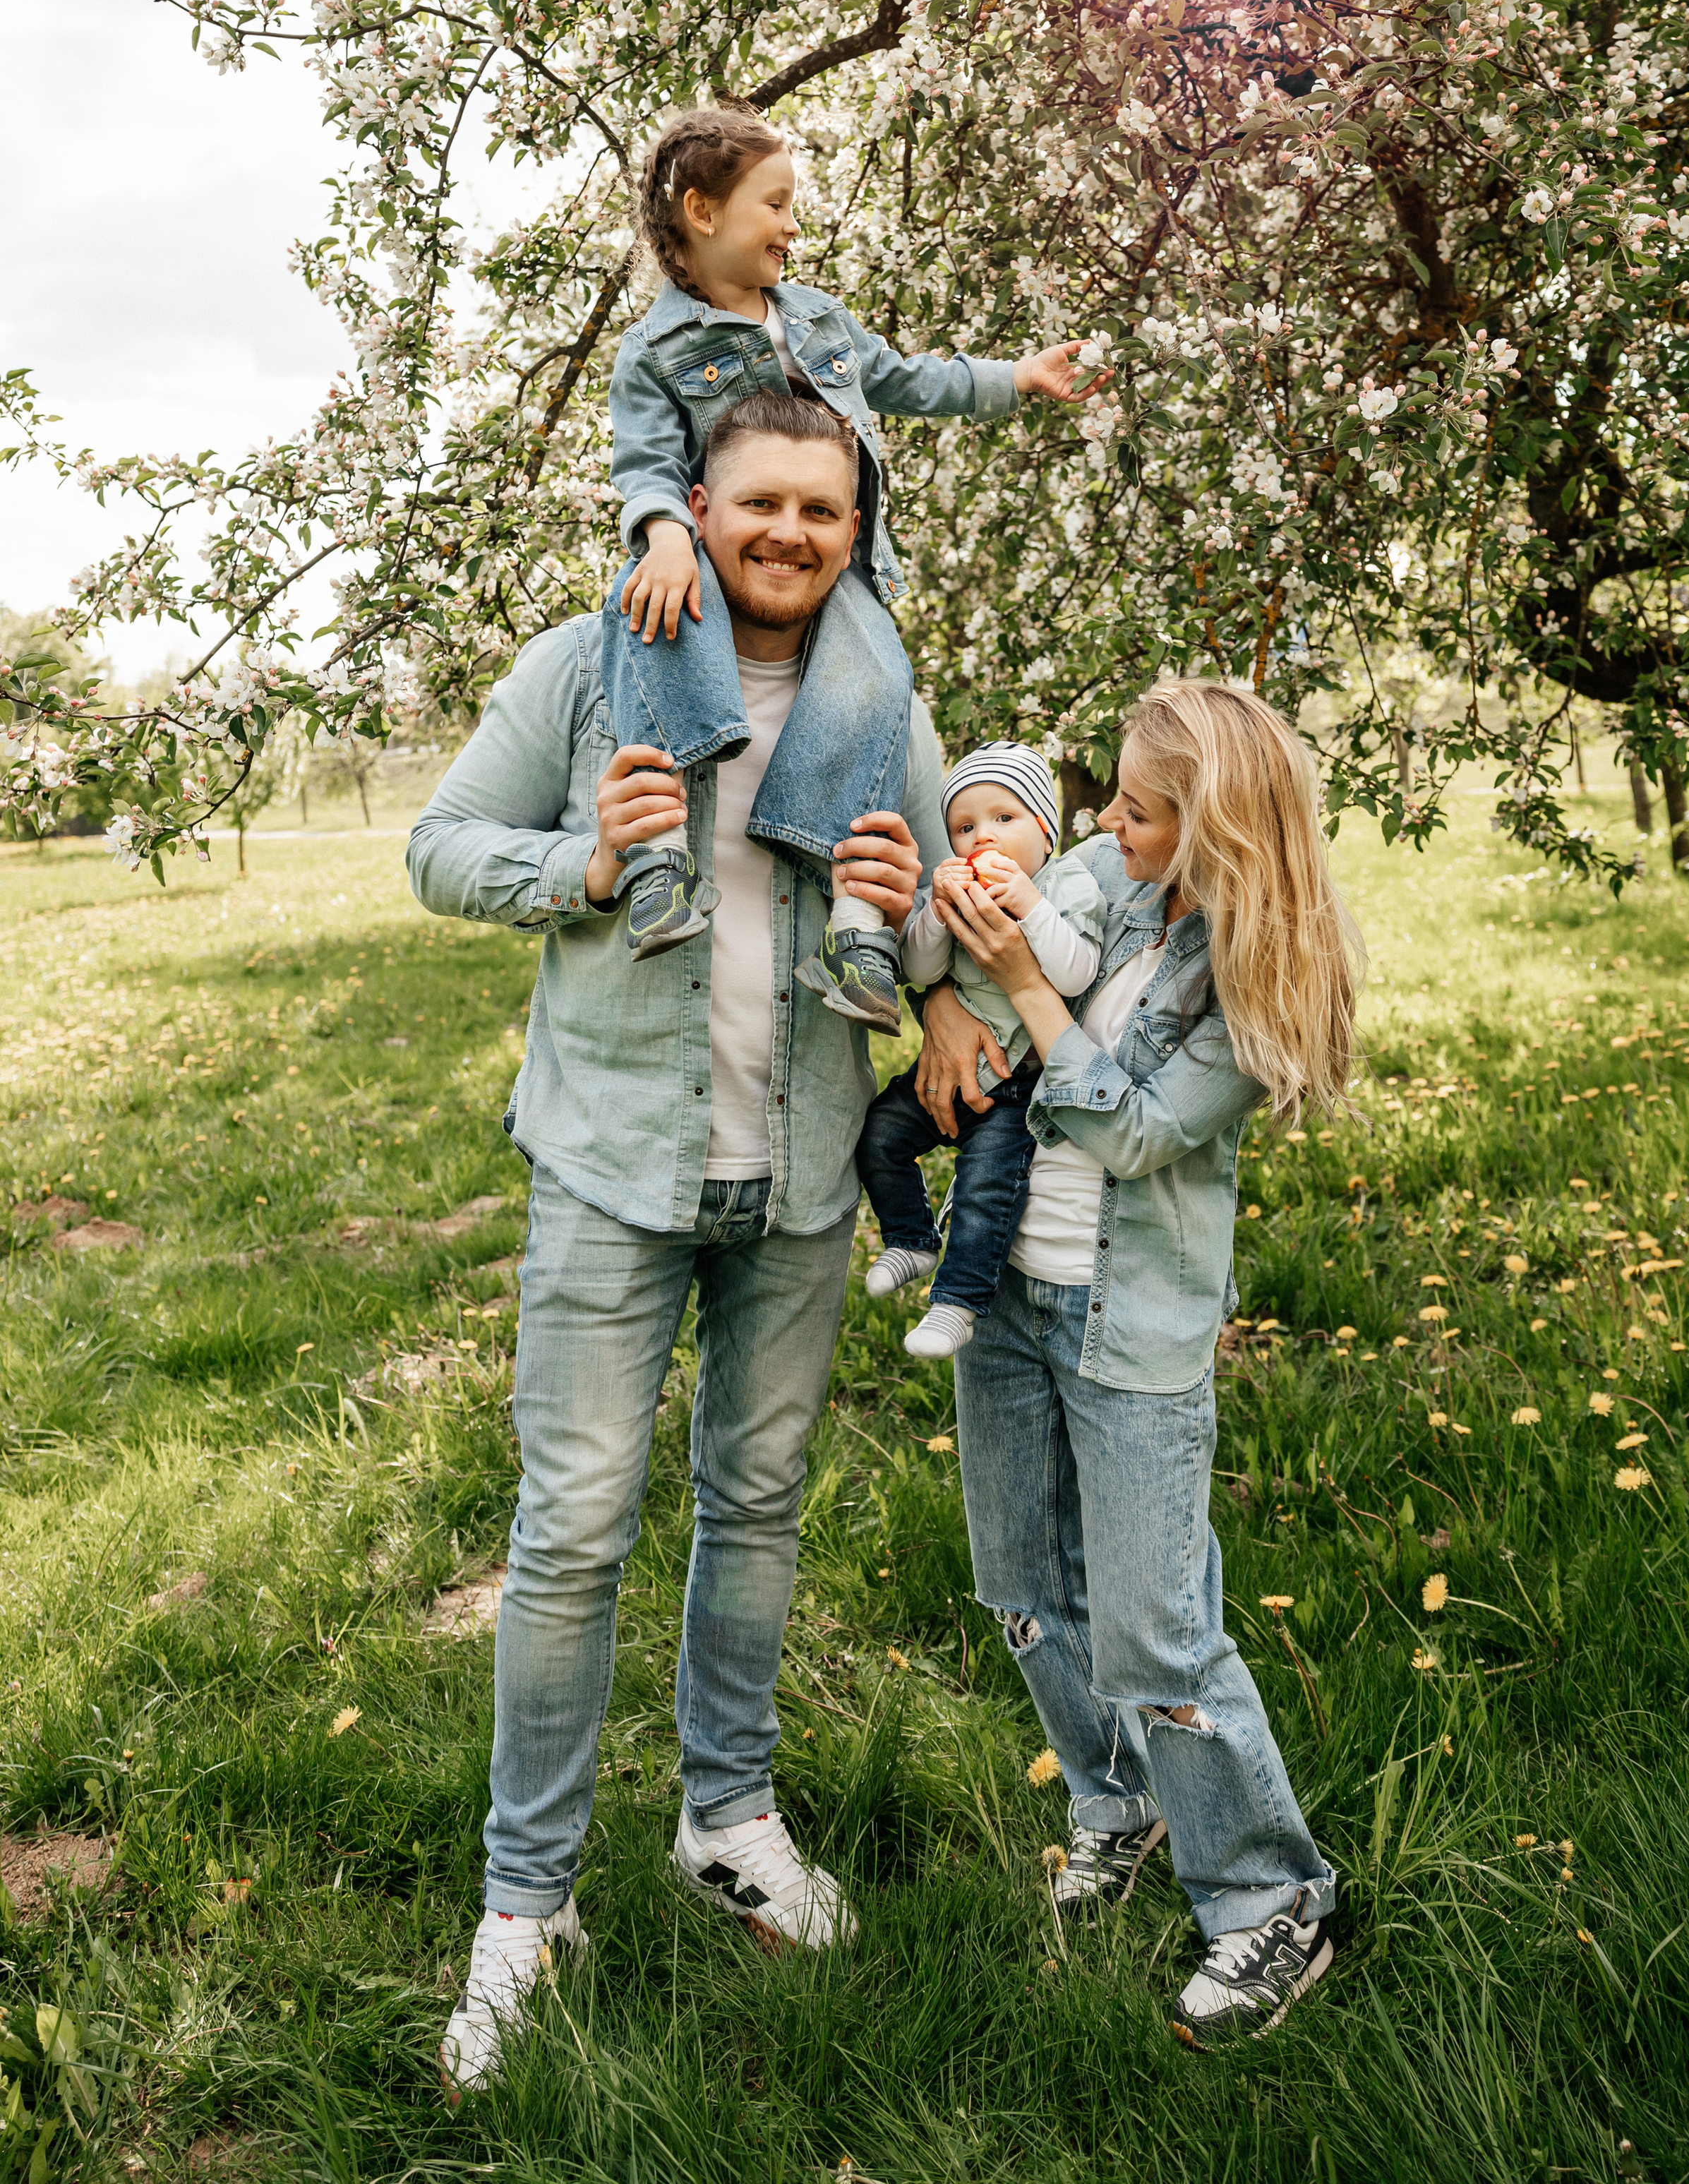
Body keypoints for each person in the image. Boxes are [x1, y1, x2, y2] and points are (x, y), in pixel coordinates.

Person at [407, 388, 957, 2093]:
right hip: (607, 1164)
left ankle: (726, 1817)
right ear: (693, 510)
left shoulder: (880, 700)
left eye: (824, 509)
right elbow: (437, 844)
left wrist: (921, 918)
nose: (791, 533)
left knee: (758, 1499)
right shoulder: (590, 665)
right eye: (759, 503)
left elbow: (946, 909)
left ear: (856, 529)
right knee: (571, 1528)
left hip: (794, 1174)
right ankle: (526, 1904)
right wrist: (583, 866)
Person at [936, 680, 1363, 2045]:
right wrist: (956, 997)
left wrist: (1014, 986)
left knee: (1157, 1629)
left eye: (1137, 810)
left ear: (1218, 832)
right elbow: (977, 941)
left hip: (1133, 1327)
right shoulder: (1108, 878)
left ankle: (1270, 1904)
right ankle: (1114, 1805)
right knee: (1021, 1588)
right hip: (1004, 1290)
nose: (1102, 824)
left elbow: (1127, 1133)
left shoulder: (1260, 975)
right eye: (1110, 798)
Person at [599, 101, 1100, 1034]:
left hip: (841, 571)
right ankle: (660, 866)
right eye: (776, 203)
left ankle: (860, 931)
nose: (794, 225)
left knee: (877, 688)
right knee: (652, 621)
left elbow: (907, 379)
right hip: (706, 566)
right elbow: (642, 465)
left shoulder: (818, 318)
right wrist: (665, 533)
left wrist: (1014, 379)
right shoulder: (656, 349)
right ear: (703, 212)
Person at [855, 742, 1106, 1360]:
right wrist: (939, 915)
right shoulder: (959, 889)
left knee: (985, 1189)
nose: (981, 838)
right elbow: (917, 968)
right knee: (880, 1133)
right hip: (950, 1061)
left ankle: (958, 1304)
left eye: (1004, 819)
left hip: (1019, 1080)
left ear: (1046, 831)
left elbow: (1075, 974)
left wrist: (1028, 903)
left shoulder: (1065, 884)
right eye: (964, 828)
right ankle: (911, 1237)